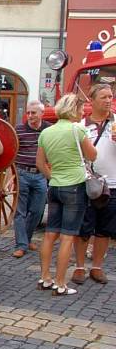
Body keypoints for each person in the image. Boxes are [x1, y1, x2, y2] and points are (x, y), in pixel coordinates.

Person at [36, 94, 97, 295]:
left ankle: (45, 277)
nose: (82, 113)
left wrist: (53, 177)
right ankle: (60, 283)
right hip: (75, 185)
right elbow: (92, 155)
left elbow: (40, 164)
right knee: (67, 236)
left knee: (49, 234)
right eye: (81, 109)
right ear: (74, 110)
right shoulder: (77, 129)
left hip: (55, 186)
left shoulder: (46, 132)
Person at [71, 83, 116, 285]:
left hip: (113, 183)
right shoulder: (80, 125)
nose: (108, 100)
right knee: (83, 228)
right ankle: (80, 266)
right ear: (92, 100)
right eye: (104, 97)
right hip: (87, 183)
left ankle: (97, 267)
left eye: (110, 97)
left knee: (105, 229)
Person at [12, 100, 50, 257]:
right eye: (28, 112)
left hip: (40, 175)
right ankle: (21, 245)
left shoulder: (48, 129)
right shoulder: (19, 130)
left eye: (33, 113)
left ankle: (26, 239)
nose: (30, 116)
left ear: (41, 113)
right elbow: (12, 150)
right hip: (22, 173)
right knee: (20, 212)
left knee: (37, 210)